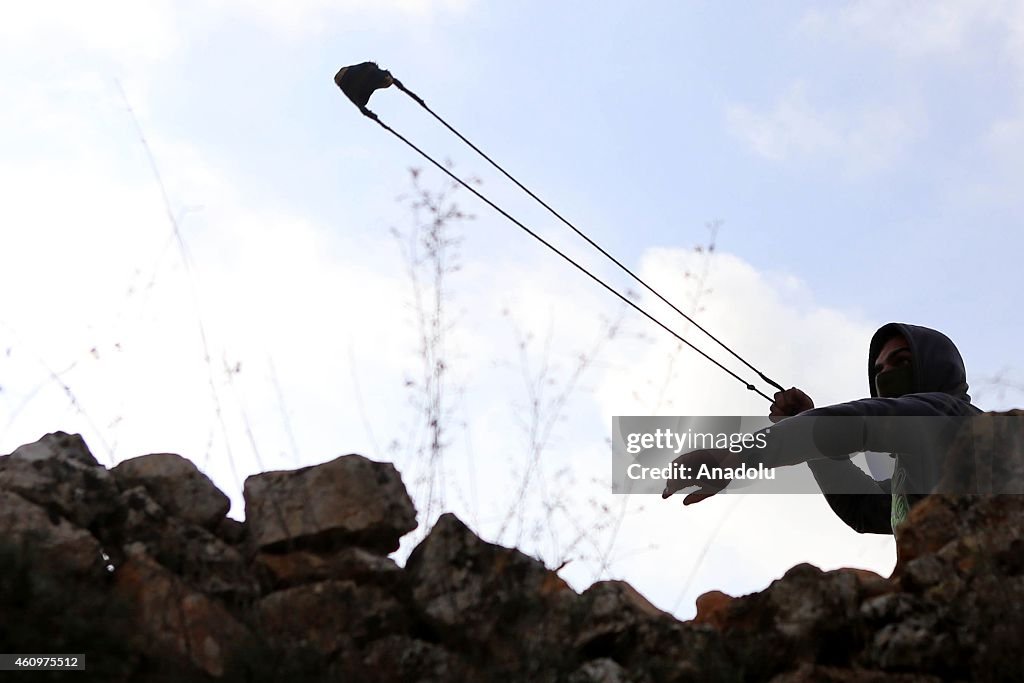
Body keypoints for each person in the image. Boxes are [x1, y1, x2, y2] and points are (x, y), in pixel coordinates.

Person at [662, 322, 981, 534]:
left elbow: (859, 423)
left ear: (938, 368)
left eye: (902, 363)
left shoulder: (950, 416)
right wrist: (810, 434)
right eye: (879, 370)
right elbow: (861, 506)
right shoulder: (909, 477)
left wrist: (742, 455)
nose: (886, 377)